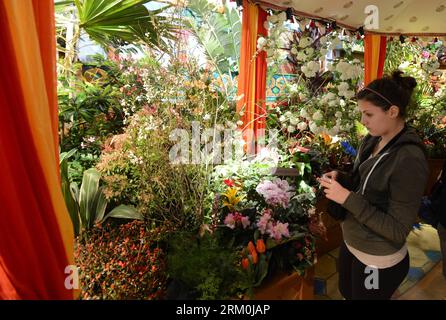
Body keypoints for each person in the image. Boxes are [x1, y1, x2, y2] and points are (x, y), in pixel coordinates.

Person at [318, 71, 429, 300]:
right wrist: (341, 177)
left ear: (393, 111)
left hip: (377, 259)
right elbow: (366, 184)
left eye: (368, 114)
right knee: (347, 292)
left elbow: (397, 230)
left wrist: (347, 198)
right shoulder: (374, 139)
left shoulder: (408, 159)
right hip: (353, 243)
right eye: (361, 114)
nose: (363, 121)